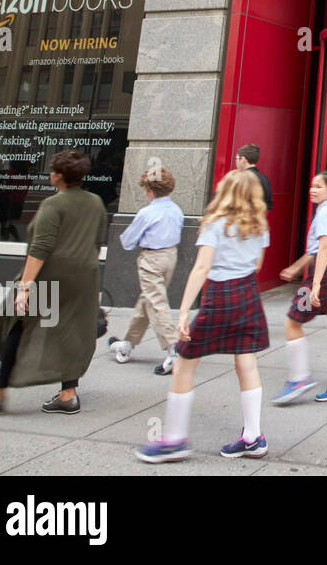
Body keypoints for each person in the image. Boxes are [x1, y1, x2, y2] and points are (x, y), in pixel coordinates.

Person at [137, 170, 270, 462]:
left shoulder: (215, 224)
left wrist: (184, 310)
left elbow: (201, 269)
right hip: (247, 292)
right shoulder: (260, 225)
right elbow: (258, 264)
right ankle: (253, 437)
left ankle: (174, 440)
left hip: (220, 294)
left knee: (185, 361)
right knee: (246, 362)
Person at [0, 150, 107, 415]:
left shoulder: (53, 205)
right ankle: (68, 394)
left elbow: (40, 248)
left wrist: (25, 288)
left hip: (51, 275)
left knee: (16, 326)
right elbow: (97, 244)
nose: (51, 174)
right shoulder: (95, 202)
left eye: (54, 170)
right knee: (70, 331)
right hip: (85, 276)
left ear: (59, 177)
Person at [272, 171, 327, 405]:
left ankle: (299, 379)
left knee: (292, 320)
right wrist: (296, 267)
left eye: (318, 186)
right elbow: (316, 249)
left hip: (325, 274)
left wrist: (316, 284)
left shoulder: (325, 213)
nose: (312, 190)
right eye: (312, 185)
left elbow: (324, 248)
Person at [109, 166, 184, 375]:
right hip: (171, 256)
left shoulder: (147, 212)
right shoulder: (176, 210)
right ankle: (127, 344)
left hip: (151, 258)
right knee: (149, 300)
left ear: (149, 191)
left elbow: (127, 241)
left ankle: (173, 348)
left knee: (156, 303)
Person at [235, 143, 273, 212]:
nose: (236, 161)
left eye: (236, 158)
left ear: (243, 159)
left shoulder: (239, 178)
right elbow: (268, 205)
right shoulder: (264, 179)